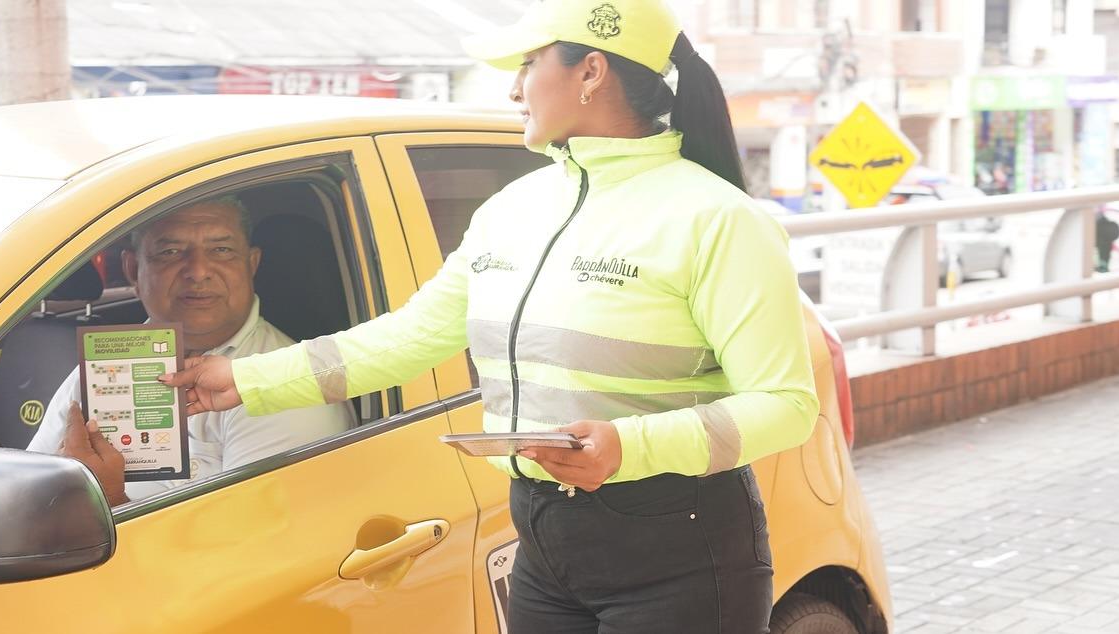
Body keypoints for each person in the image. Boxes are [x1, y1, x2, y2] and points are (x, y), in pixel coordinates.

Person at [164, 1, 818, 631]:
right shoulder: (513, 209)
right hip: (542, 543)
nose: (513, 91)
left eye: (527, 64)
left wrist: (630, 447)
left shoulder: (718, 220)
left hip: (679, 549)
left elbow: (786, 404)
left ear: (591, 71)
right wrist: (246, 380)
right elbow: (411, 335)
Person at [27, 196, 354, 506]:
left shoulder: (283, 386)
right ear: (131, 271)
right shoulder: (108, 365)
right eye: (170, 252)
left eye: (222, 250)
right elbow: (31, 485)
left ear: (251, 264)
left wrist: (106, 501)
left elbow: (245, 552)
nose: (198, 271)